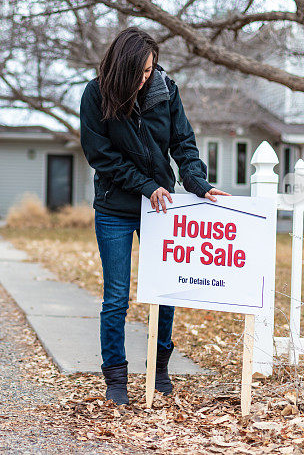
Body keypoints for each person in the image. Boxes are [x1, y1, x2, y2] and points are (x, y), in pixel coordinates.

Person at [79, 27, 230, 405]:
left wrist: (198, 184)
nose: (146, 78)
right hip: (115, 208)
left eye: (150, 70)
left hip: (160, 208)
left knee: (165, 291)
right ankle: (115, 378)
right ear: (122, 68)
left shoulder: (165, 89)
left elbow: (182, 142)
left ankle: (160, 368)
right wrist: (145, 184)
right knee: (116, 297)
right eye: (140, 72)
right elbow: (101, 156)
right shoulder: (96, 94)